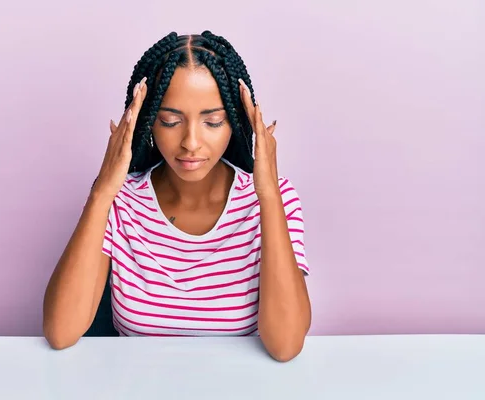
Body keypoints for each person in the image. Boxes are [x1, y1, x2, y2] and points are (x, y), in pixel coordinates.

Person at [43, 31, 312, 362]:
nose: (191, 143)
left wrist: (268, 196)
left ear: (238, 123)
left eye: (213, 122)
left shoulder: (275, 198)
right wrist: (102, 193)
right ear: (147, 122)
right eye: (170, 121)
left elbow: (285, 346)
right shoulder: (119, 201)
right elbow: (60, 332)